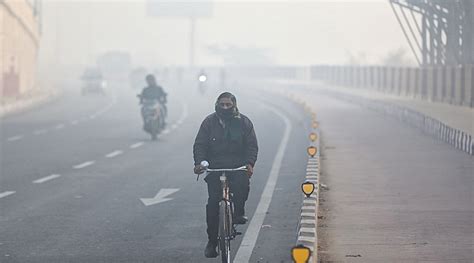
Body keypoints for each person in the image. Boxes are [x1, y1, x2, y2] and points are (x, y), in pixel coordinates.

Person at [193, 92, 258, 258]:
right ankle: (212, 242)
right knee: (213, 205)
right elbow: (200, 144)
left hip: (237, 166)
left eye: (228, 105)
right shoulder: (209, 123)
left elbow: (252, 145)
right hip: (215, 167)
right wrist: (199, 163)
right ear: (217, 105)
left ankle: (238, 213)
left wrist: (249, 164)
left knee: (242, 186)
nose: (225, 107)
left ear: (234, 105)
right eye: (222, 105)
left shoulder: (244, 122)